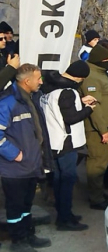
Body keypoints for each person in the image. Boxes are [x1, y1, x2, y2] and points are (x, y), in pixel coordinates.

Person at [0, 64, 53, 251]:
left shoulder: (28, 99)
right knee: (15, 206)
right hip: (14, 168)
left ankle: (28, 234)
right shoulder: (8, 102)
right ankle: (18, 241)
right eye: (38, 79)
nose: (41, 82)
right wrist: (15, 154)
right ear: (27, 81)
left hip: (30, 165)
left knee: (27, 204)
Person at [40, 61, 94, 232]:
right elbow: (70, 118)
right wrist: (88, 108)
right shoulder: (68, 92)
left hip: (52, 140)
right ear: (79, 77)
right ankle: (64, 219)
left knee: (58, 180)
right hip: (66, 142)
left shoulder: (49, 88)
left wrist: (79, 100)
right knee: (67, 180)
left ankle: (64, 213)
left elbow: (59, 108)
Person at [80, 44, 108, 210]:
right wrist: (103, 130)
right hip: (99, 128)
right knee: (97, 163)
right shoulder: (91, 77)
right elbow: (94, 107)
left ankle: (98, 193)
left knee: (103, 162)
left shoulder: (100, 73)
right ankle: (95, 199)